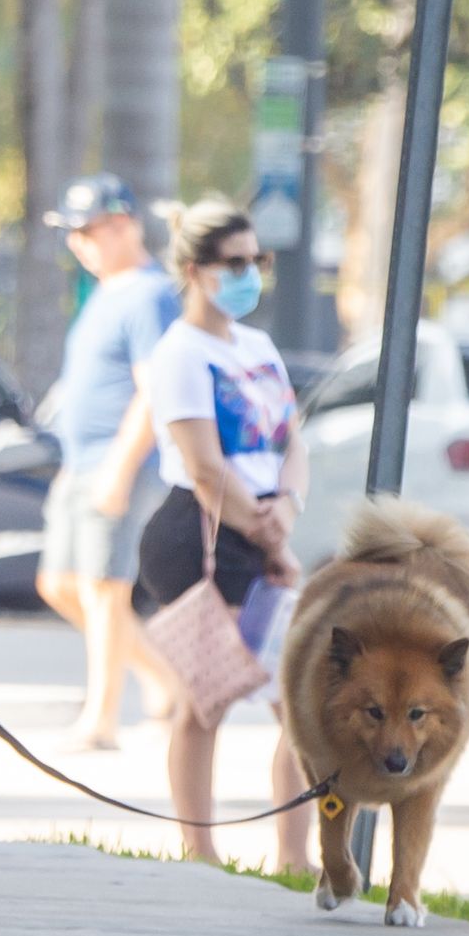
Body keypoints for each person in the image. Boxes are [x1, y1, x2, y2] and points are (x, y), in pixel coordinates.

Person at [137, 198, 311, 871]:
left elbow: (292, 441)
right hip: (203, 535)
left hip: (265, 528)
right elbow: (206, 465)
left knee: (300, 702)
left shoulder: (258, 347)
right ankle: (199, 850)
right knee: (203, 703)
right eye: (233, 263)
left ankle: (296, 860)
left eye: (256, 261)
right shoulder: (180, 352)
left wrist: (286, 512)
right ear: (193, 270)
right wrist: (271, 538)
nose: (248, 275)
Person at [38, 174, 179, 749]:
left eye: (87, 231)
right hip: (81, 460)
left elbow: (154, 391)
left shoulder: (150, 294)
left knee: (103, 587)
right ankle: (164, 677)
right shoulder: (107, 290)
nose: (78, 244)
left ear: (123, 226)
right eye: (73, 234)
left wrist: (121, 469)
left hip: (119, 460)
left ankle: (101, 719)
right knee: (59, 583)